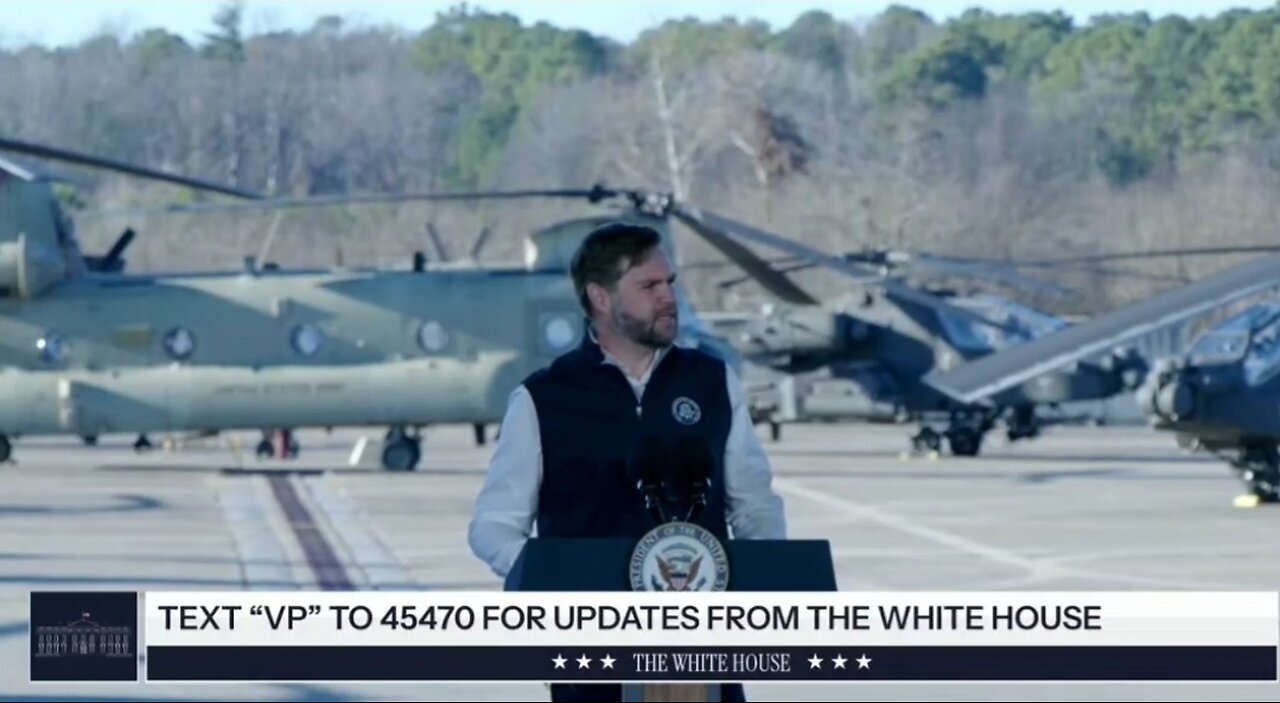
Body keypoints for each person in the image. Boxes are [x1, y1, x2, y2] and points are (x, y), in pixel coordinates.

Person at [468, 221, 787, 702]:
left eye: (670, 283)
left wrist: (760, 577)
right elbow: (492, 526)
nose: (668, 298)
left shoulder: (711, 382)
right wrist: (551, 583)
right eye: (649, 286)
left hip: (700, 657)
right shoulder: (543, 399)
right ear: (600, 298)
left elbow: (754, 503)